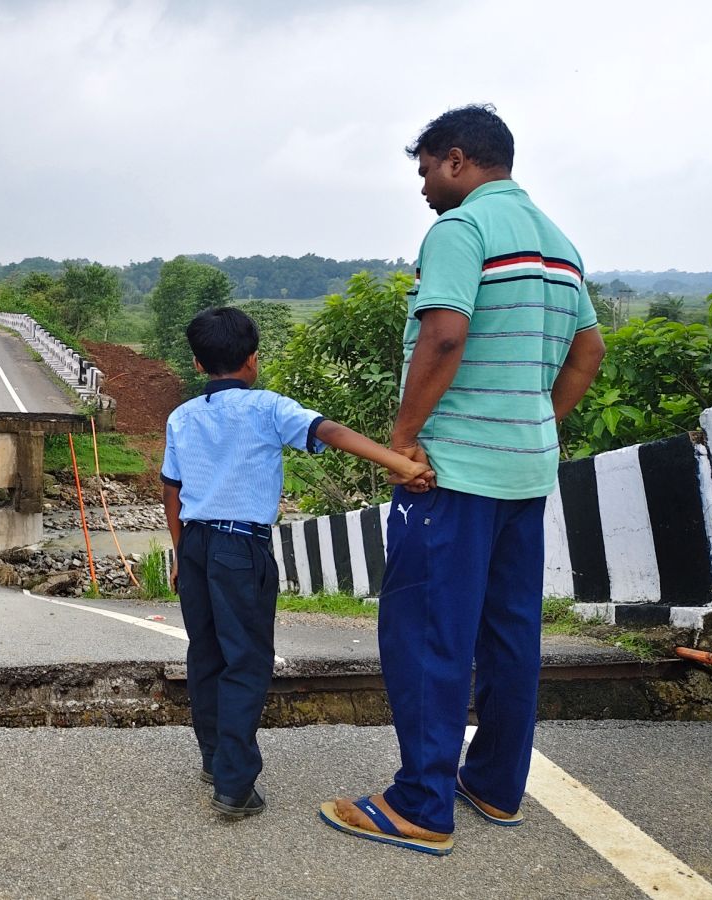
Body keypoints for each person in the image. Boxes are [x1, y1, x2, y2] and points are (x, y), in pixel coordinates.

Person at [320, 105, 604, 856]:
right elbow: (588, 353)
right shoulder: (559, 243)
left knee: (425, 633)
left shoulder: (460, 231)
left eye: (424, 173)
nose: (422, 190)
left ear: (455, 160)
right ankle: (494, 785)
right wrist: (532, 420)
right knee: (510, 634)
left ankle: (420, 804)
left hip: (452, 476)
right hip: (524, 469)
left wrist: (405, 438)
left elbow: (445, 333)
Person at [162, 306, 430, 819]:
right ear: (253, 359)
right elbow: (330, 432)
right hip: (240, 547)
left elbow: (171, 490)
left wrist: (178, 552)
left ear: (198, 365)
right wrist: (398, 462)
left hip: (194, 544)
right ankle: (234, 785)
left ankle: (215, 759)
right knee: (246, 661)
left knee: (207, 655)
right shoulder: (267, 408)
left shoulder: (181, 417)